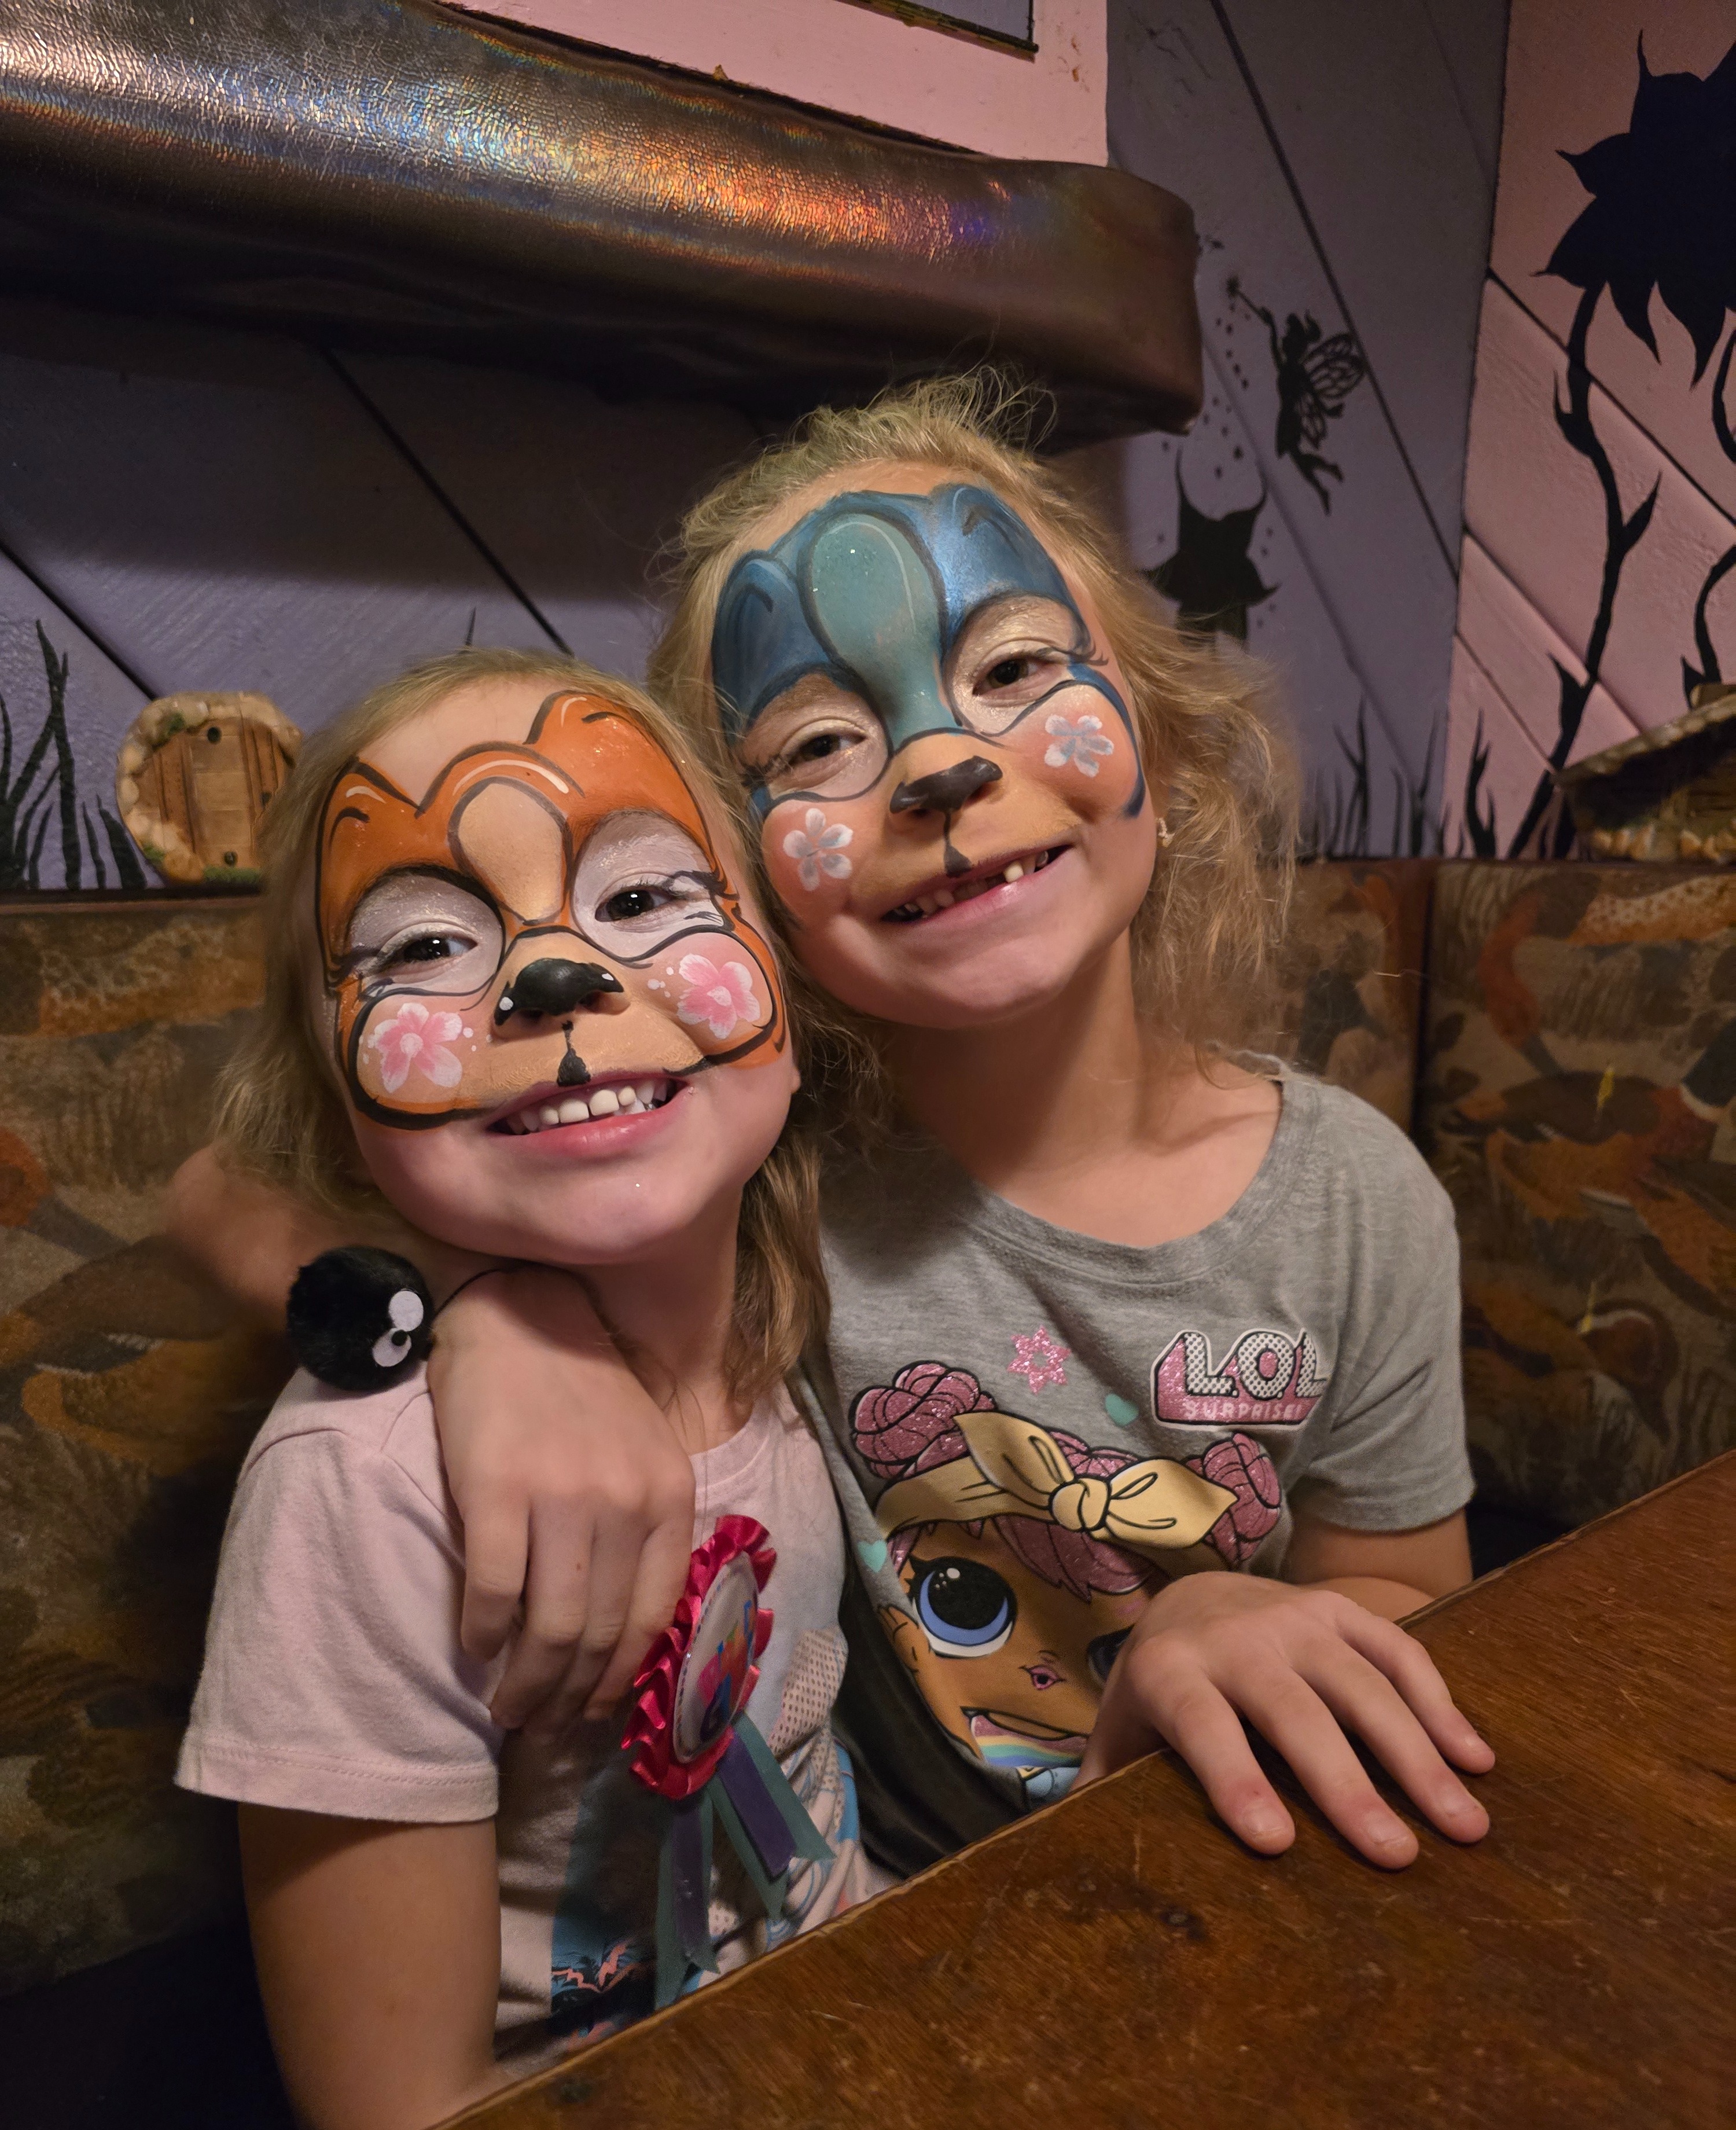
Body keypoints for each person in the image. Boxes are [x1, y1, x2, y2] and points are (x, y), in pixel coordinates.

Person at [173, 375, 1494, 1889]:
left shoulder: (1355, 1201)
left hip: (1238, 1875)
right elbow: (218, 1191)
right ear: (738, 881)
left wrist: (1225, 1621)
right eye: (813, 746)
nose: (938, 766)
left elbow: (1412, 1597)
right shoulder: (752, 1176)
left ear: (1170, 746)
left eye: (1013, 665)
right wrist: (496, 1318)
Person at [174, 649, 881, 2130]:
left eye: (643, 896)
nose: (555, 978)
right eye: (428, 942)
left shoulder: (797, 1297)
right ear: (331, 1098)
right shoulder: (364, 1484)